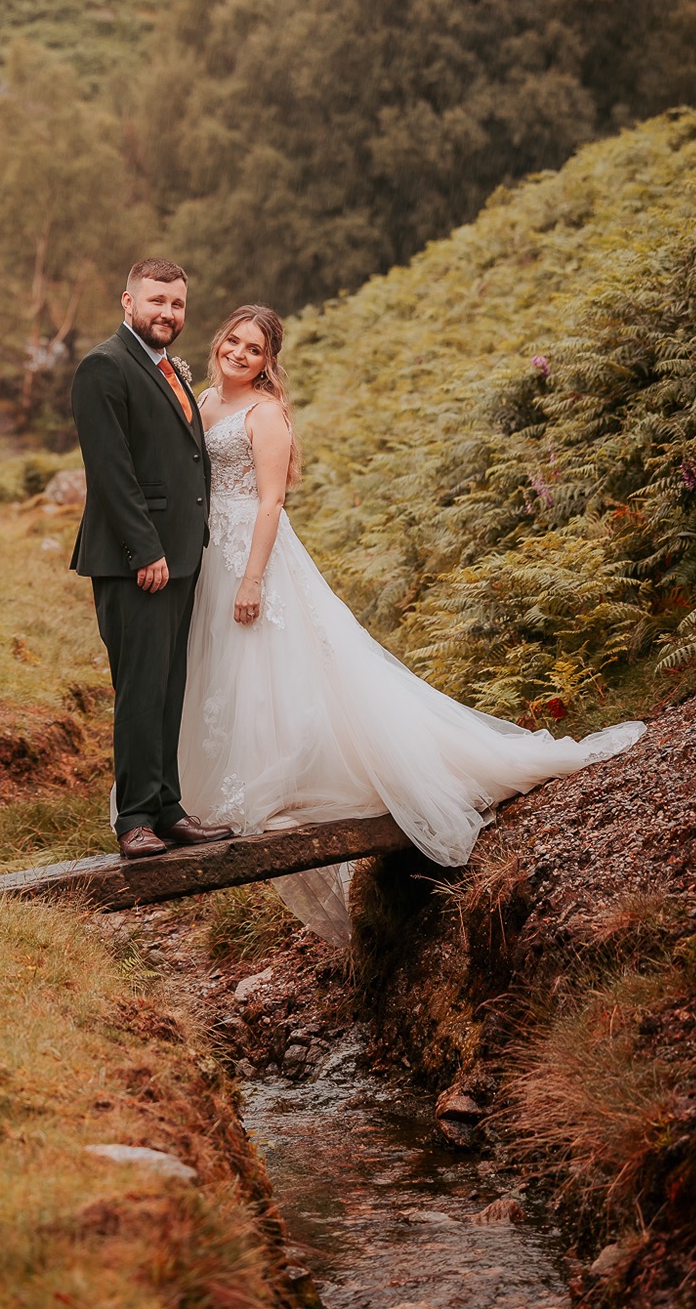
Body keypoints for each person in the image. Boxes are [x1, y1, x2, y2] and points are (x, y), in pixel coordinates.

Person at [179, 304, 646, 944]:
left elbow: (271, 500)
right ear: (220, 341)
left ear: (268, 362)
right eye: (233, 340)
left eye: (253, 349)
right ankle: (243, 777)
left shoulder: (264, 414)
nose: (238, 353)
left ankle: (296, 777)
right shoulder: (203, 399)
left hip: (251, 554)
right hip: (208, 554)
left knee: (277, 664)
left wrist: (253, 577)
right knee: (233, 673)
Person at [70, 260, 235, 860]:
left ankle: (167, 808)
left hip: (180, 557)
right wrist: (147, 549)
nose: (168, 313)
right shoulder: (104, 366)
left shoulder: (168, 369)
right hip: (135, 559)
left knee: (168, 687)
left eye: (178, 304)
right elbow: (111, 471)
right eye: (157, 301)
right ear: (128, 301)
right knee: (139, 688)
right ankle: (134, 818)